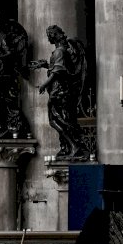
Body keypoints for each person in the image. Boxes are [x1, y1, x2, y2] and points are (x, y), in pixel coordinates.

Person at [30, 24, 90, 159]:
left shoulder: (59, 52)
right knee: (63, 119)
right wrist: (45, 65)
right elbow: (61, 68)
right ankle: (69, 147)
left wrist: (44, 84)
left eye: (49, 36)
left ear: (54, 36)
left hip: (59, 91)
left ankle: (74, 146)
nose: (48, 39)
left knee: (56, 120)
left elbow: (58, 72)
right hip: (61, 91)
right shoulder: (62, 51)